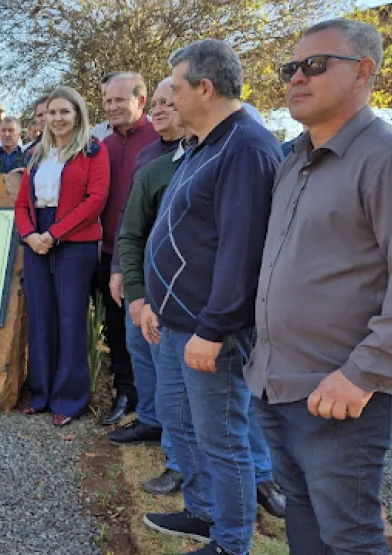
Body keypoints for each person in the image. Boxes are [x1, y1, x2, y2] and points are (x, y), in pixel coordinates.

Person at [247, 18, 392, 553]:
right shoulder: (294, 163)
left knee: (351, 537)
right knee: (303, 518)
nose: (296, 78)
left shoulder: (382, 159)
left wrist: (362, 374)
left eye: (315, 65)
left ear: (363, 72)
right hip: (276, 384)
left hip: (340, 396)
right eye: (290, 68)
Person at [141, 40, 283, 555]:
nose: (169, 100)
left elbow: (242, 251)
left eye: (175, 88)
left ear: (205, 87)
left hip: (208, 331)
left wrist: (214, 329)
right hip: (178, 321)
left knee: (223, 440)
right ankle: (203, 513)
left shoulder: (245, 146)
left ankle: (231, 542)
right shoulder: (207, 143)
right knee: (185, 425)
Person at [106, 78, 185, 494]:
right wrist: (120, 268)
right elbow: (129, 223)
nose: (159, 110)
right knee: (141, 350)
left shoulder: (198, 153)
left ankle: (178, 456)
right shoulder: (149, 156)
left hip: (178, 283)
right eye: (156, 103)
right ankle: (151, 420)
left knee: (173, 367)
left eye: (168, 103)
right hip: (140, 275)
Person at [15, 86, 110, 427]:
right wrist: (29, 235)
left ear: (78, 115)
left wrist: (55, 233)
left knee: (70, 319)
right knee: (41, 318)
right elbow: (22, 203)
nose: (57, 118)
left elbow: (95, 199)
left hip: (75, 240)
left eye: (64, 112)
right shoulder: (35, 155)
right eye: (51, 113)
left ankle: (69, 399)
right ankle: (40, 394)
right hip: (36, 238)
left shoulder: (92, 151)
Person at [100, 72, 159, 425]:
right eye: (107, 101)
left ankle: (157, 406)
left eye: (119, 100)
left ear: (140, 100)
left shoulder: (161, 138)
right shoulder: (104, 145)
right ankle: (126, 392)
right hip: (109, 251)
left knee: (146, 330)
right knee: (116, 329)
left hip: (147, 253)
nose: (112, 107)